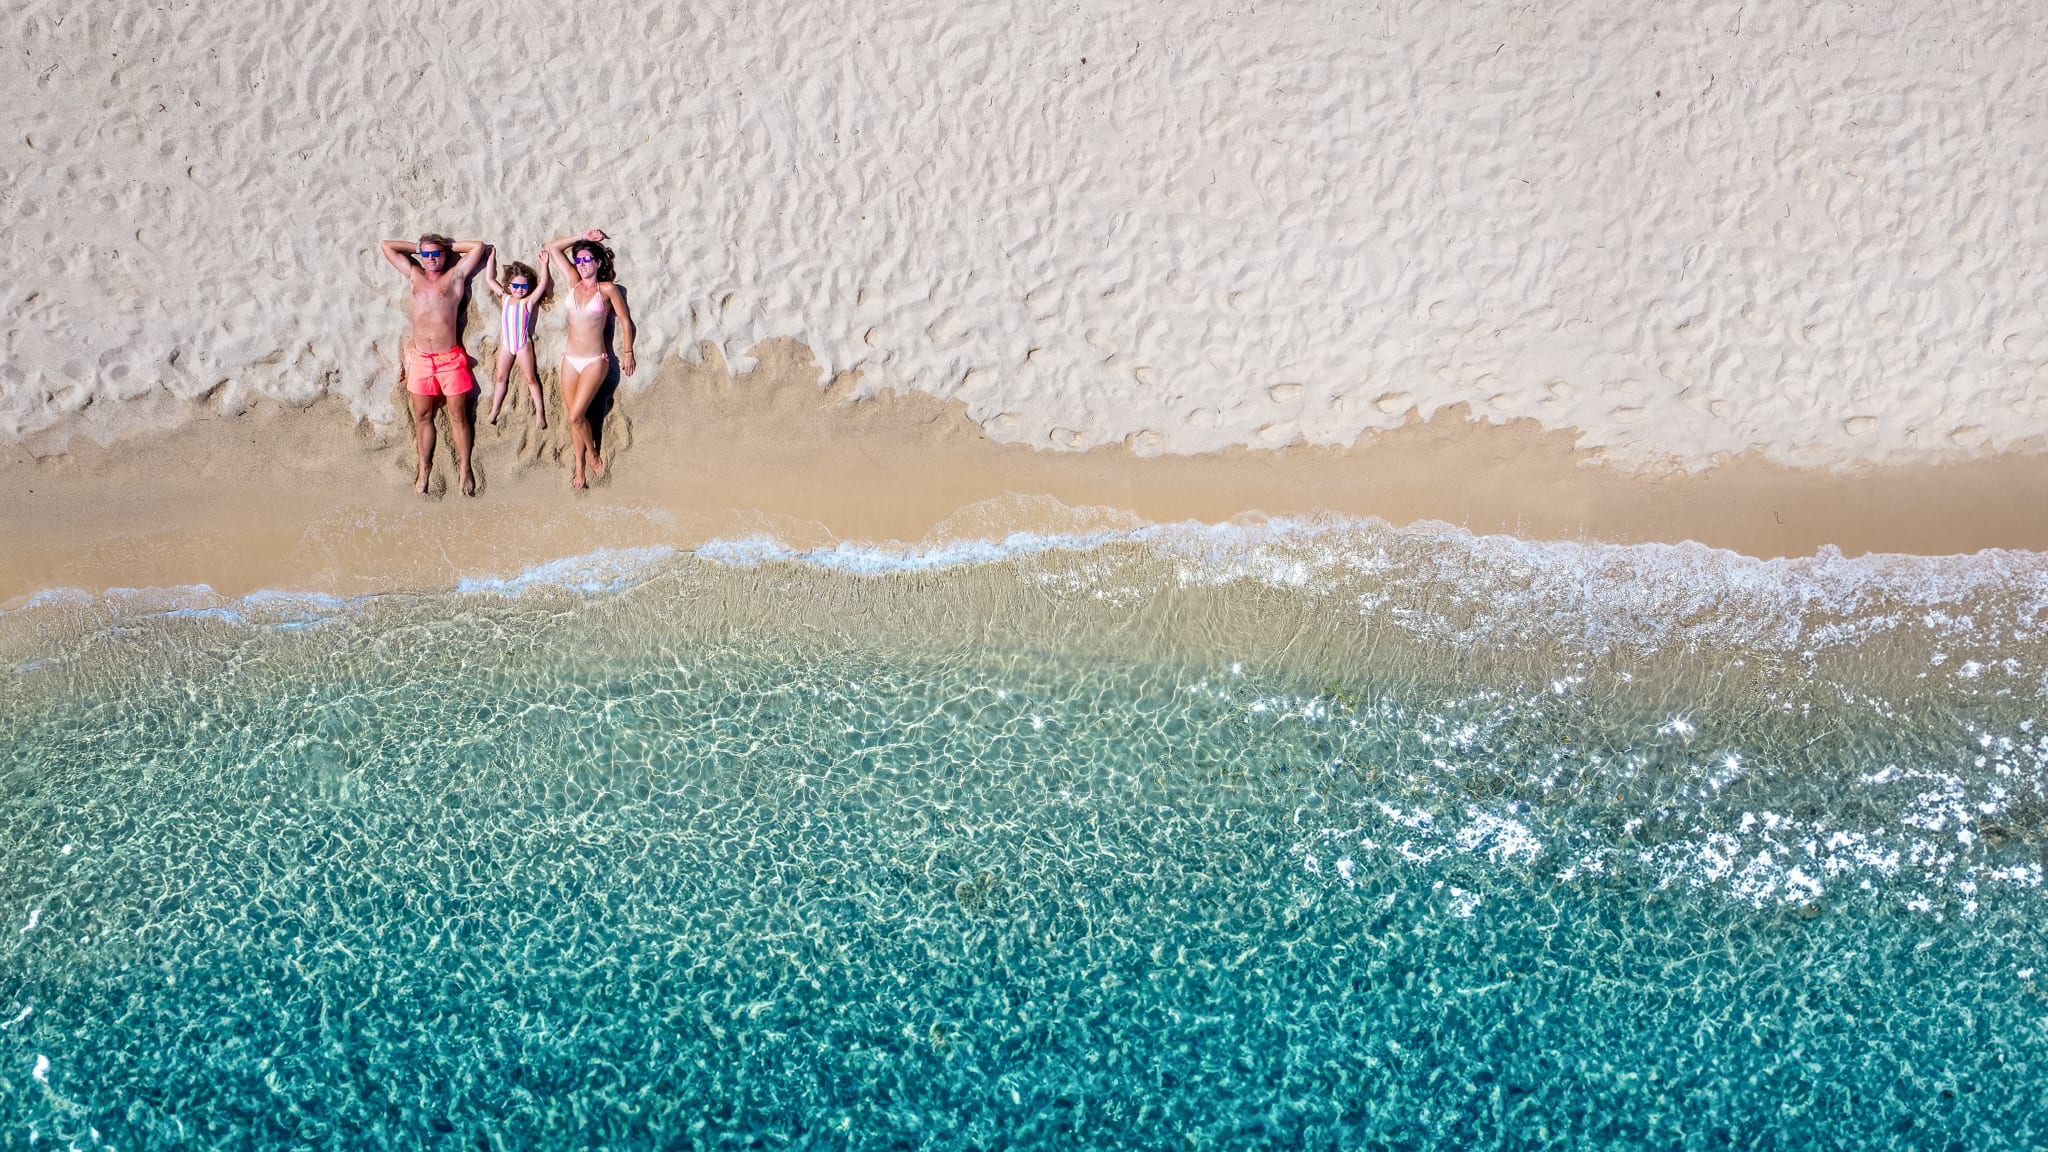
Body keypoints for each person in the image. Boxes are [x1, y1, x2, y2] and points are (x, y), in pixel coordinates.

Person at [379, 233, 490, 496]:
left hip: (449, 359)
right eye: (425, 255)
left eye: (435, 254)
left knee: (458, 416)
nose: (430, 259)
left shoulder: (454, 276)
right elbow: (387, 246)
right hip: (420, 359)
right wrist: (420, 248)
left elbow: (477, 246)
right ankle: (424, 467)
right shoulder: (414, 274)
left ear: (444, 255)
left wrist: (444, 248)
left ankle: (464, 468)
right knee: (422, 416)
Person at [543, 229, 636, 489]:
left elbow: (626, 322)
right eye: (579, 260)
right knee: (575, 416)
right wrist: (582, 237)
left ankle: (594, 454)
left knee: (575, 416)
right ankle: (580, 468)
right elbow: (552, 248)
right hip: (570, 359)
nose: (582, 264)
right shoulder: (573, 282)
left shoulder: (607, 289)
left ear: (597, 262)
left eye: (587, 259)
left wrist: (628, 352)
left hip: (596, 360)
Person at [483, 250, 551, 429]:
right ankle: (494, 410)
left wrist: (544, 265)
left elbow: (543, 283)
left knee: (530, 378)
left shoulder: (527, 302)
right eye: (516, 286)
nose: (519, 289)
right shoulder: (505, 298)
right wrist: (491, 258)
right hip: (506, 343)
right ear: (508, 285)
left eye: (524, 286)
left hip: (522, 343)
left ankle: (540, 414)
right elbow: (490, 279)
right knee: (500, 377)